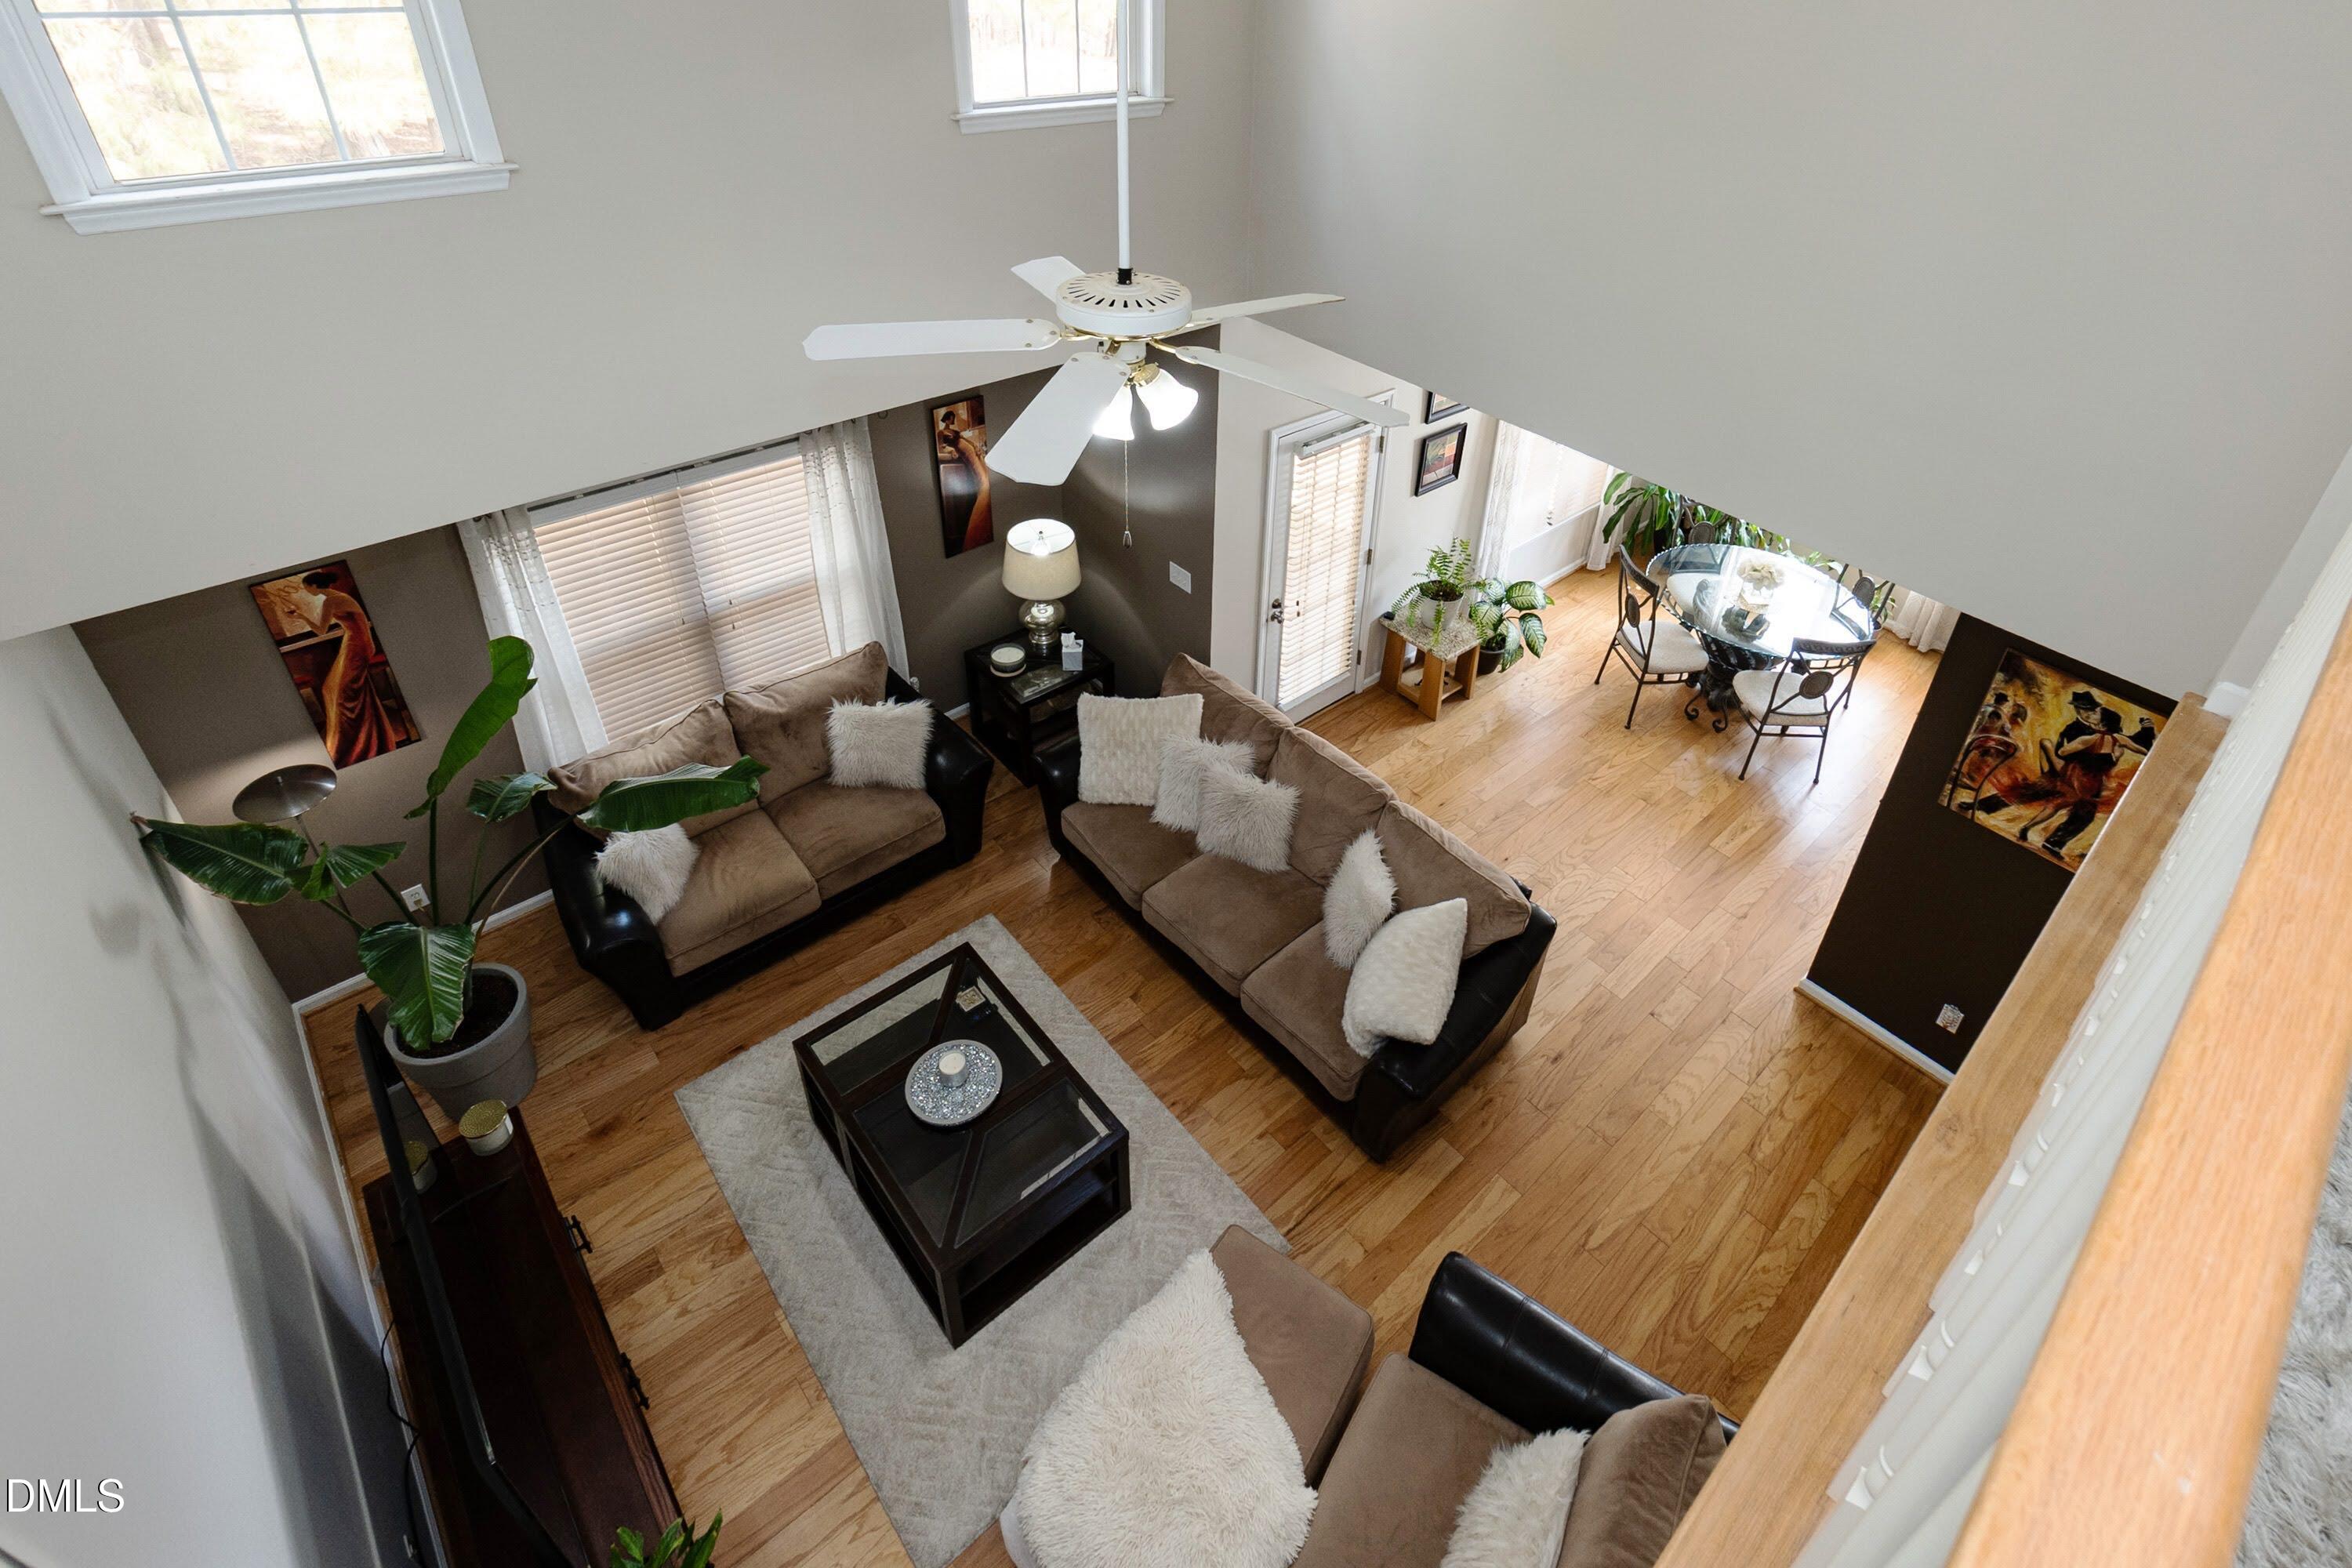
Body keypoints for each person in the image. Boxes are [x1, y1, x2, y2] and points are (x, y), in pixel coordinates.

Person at [295, 569, 408, 765]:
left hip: (357, 645)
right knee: (333, 689)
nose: (307, 591)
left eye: (307, 587)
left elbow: (321, 630)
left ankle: (353, 745)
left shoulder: (331, 600)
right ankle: (368, 739)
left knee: (341, 694)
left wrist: (302, 617)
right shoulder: (338, 597)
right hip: (355, 642)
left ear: (314, 586)